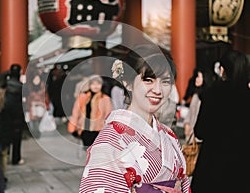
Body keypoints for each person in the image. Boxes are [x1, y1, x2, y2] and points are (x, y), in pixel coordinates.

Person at [79, 44, 191, 192]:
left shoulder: (169, 135)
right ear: (128, 83)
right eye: (148, 80)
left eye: (165, 81)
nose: (158, 90)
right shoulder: (109, 141)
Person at [191, 49, 250, 193]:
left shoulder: (212, 93)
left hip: (212, 164)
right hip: (243, 167)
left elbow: (200, 131)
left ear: (223, 69)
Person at [67, 74, 113, 148]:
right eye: (93, 83)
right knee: (87, 150)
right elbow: (75, 113)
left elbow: (109, 115)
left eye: (98, 83)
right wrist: (72, 127)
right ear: (89, 85)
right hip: (84, 129)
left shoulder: (105, 98)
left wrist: (106, 131)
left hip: (98, 131)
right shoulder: (83, 96)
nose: (95, 86)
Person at [183, 68, 213, 143]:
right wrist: (187, 124)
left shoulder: (207, 97)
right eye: (196, 76)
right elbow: (190, 111)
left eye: (199, 77)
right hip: (191, 135)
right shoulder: (196, 94)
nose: (196, 79)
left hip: (199, 136)